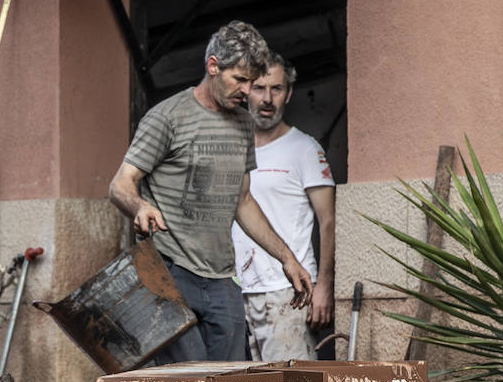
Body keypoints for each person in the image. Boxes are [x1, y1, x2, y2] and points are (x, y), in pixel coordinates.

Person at [108, 20, 312, 363]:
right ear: (213, 66)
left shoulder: (243, 123)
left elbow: (243, 201)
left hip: (223, 279)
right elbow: (120, 184)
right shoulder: (167, 118)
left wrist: (287, 259)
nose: (247, 91)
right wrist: (139, 206)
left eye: (252, 81)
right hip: (171, 272)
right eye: (240, 79)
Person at [230, 55, 335, 360]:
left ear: (288, 93)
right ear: (246, 91)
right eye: (259, 88)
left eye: (276, 89)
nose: (267, 98)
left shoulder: (304, 149)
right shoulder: (236, 148)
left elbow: (328, 221)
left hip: (289, 293)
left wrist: (324, 286)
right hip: (239, 292)